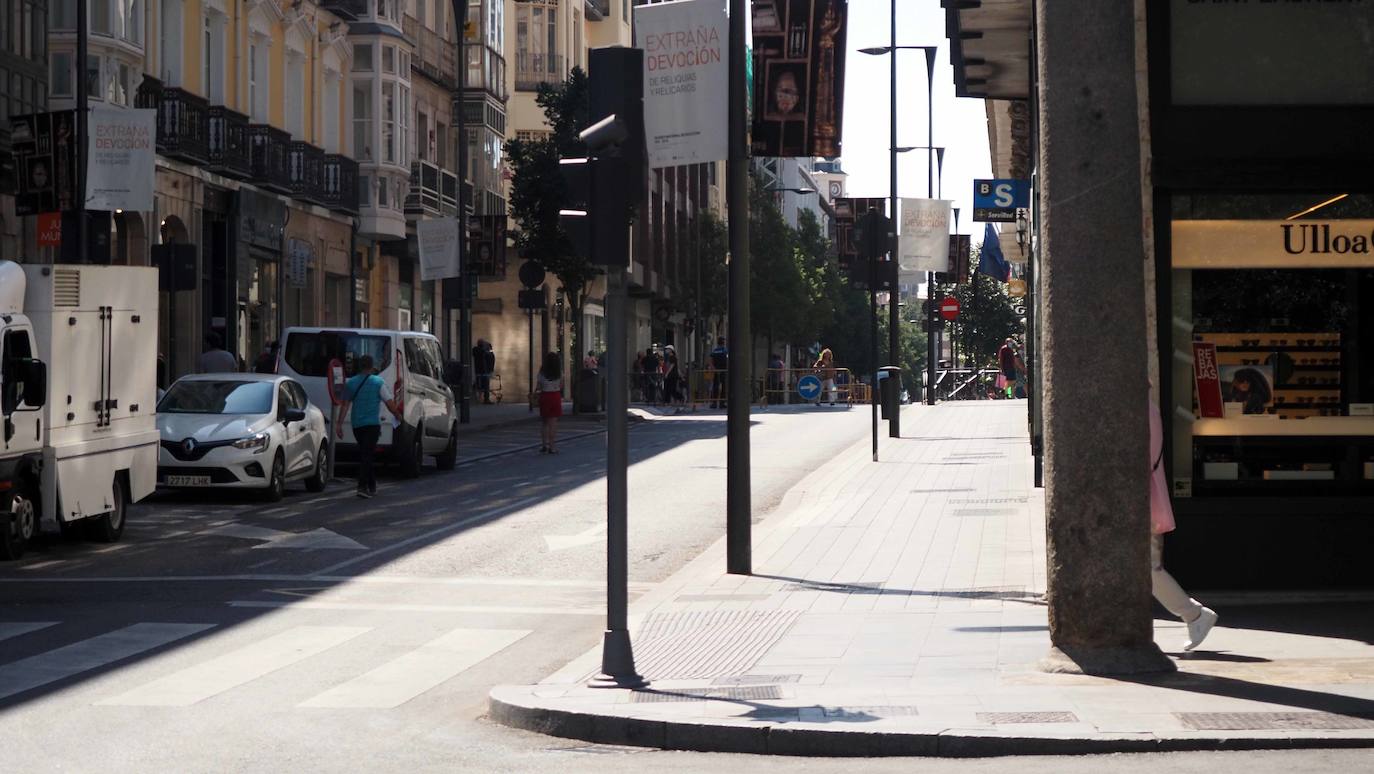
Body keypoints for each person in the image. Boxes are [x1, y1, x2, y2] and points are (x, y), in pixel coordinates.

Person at [1150, 392, 1218, 651]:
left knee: (1148, 567)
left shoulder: (1140, 409)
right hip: (1146, 497)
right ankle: (1194, 616)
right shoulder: (1148, 407)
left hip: (1144, 499)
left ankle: (1194, 615)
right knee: (1144, 566)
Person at [337, 355, 401, 499]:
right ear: (372, 367)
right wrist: (397, 414)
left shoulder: (351, 383)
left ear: (359, 366)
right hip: (372, 424)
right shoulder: (378, 382)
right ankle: (362, 486)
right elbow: (389, 402)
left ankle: (372, 485)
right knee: (367, 454)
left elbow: (345, 405)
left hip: (357, 424)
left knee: (366, 453)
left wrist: (339, 424)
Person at [537, 351, 563, 453]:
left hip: (544, 396)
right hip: (555, 396)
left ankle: (544, 445)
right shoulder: (559, 372)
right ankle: (552, 447)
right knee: (553, 423)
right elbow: (561, 386)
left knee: (544, 422)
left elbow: (538, 386)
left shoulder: (542, 373)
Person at [473, 339, 496, 404]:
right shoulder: (485, 352)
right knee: (485, 385)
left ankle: (480, 399)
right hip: (484, 371)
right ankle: (485, 399)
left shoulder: (476, 350)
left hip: (478, 370)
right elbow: (491, 358)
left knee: (479, 385)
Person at [709, 336, 728, 409]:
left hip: (716, 371)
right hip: (724, 370)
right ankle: (722, 403)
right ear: (723, 342)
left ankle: (714, 403)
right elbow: (727, 360)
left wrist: (713, 368)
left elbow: (711, 360)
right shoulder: (725, 350)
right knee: (723, 386)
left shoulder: (715, 350)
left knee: (715, 386)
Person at [664, 346, 684, 412]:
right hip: (671, 375)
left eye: (667, 349)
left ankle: (680, 397)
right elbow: (676, 367)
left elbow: (672, 366)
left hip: (672, 376)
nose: (666, 350)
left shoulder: (672, 357)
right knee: (669, 389)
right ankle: (667, 401)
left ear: (671, 350)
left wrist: (667, 373)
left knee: (671, 389)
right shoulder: (670, 357)